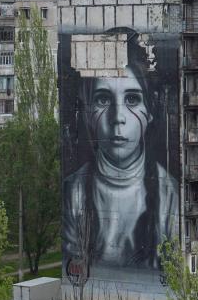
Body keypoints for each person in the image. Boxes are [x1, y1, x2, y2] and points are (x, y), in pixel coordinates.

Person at [62, 32, 178, 273]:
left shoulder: (170, 196)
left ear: (150, 110)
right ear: (88, 111)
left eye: (132, 99)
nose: (118, 119)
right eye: (103, 99)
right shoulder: (74, 191)